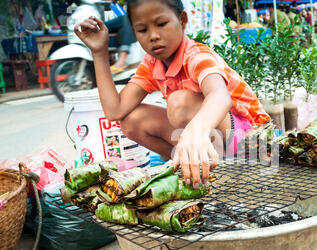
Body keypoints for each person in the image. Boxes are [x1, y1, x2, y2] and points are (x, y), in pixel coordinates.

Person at [74, 0, 271, 191]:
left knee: (179, 103)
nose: (153, 36)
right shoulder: (152, 64)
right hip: (214, 141)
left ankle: (222, 176)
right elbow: (115, 110)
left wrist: (196, 131)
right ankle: (189, 169)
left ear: (182, 20)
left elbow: (220, 97)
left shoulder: (196, 56)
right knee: (131, 120)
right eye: (142, 30)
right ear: (134, 33)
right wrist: (99, 52)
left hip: (252, 142)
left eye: (161, 24)